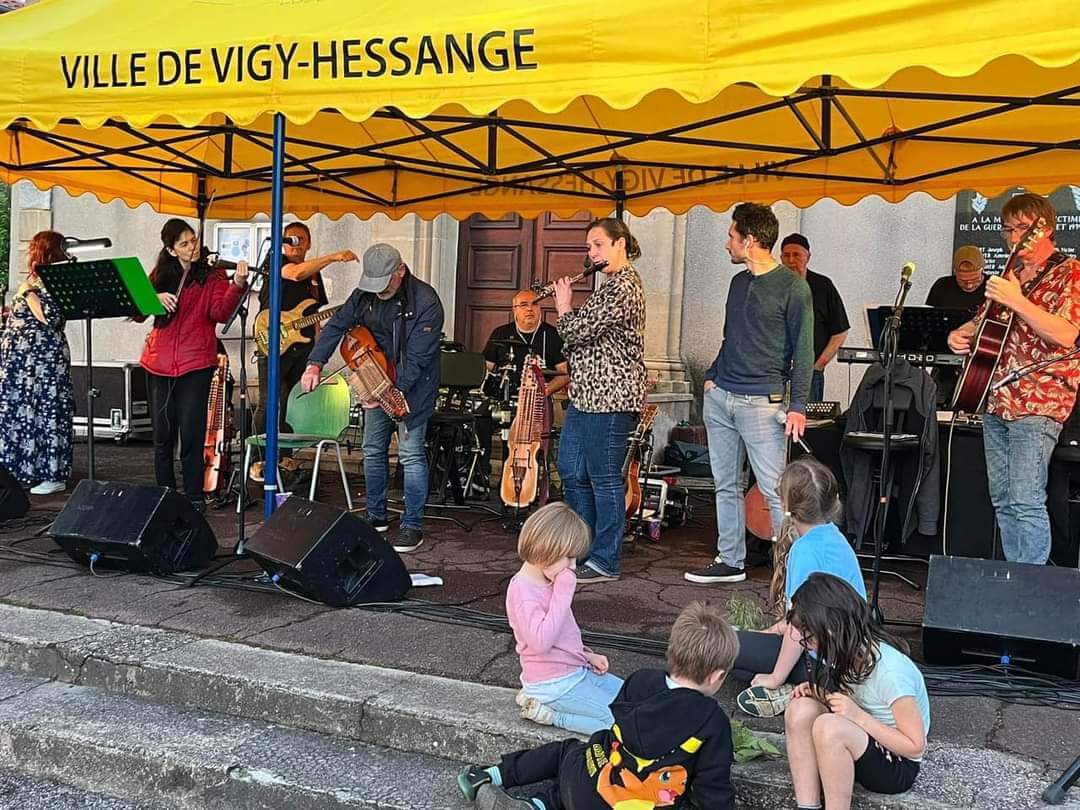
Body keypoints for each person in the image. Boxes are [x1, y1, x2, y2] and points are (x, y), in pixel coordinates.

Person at [457, 600, 738, 810]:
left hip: (589, 785)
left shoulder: (641, 680)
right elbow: (713, 789)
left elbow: (615, 726)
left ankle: (493, 777)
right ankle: (538, 804)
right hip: (638, 803)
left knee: (569, 754)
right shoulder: (713, 722)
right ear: (717, 676)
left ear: (671, 652)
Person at [947, 193, 1080, 564]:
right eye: (1008, 229)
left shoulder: (1070, 272)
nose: (1013, 237)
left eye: (1022, 228)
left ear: (1046, 228)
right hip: (996, 398)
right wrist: (960, 334)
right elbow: (983, 322)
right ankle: (1013, 579)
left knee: (1026, 499)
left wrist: (1018, 300)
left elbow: (1066, 333)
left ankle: (1029, 585)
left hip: (1038, 402)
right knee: (1003, 500)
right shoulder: (1011, 276)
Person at [685, 203, 814, 585]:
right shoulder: (738, 283)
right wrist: (711, 376)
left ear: (750, 239)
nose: (727, 243)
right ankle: (731, 560)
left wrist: (798, 406)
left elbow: (804, 351)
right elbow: (732, 337)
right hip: (721, 395)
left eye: (731, 235)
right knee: (725, 485)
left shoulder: (794, 287)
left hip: (762, 403)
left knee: (775, 492)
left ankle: (792, 573)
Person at [302, 243, 443, 553]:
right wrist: (315, 363)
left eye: (384, 283)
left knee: (411, 456)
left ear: (400, 271)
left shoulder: (426, 301)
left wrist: (385, 393)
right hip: (374, 375)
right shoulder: (364, 293)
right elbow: (337, 325)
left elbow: (417, 360)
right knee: (372, 449)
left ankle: (412, 525)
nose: (377, 291)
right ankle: (376, 516)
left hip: (413, 387)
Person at [731, 458, 866, 719]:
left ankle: (801, 689)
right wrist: (769, 632)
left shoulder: (804, 550)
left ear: (785, 506)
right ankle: (802, 688)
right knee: (745, 660)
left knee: (726, 647)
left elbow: (800, 625)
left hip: (823, 663)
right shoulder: (835, 537)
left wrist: (776, 677)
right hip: (848, 657)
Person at [553, 218, 647, 583]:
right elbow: (582, 339)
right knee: (571, 470)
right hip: (586, 394)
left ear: (620, 243)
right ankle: (583, 547)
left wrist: (564, 305)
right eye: (588, 247)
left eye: (598, 245)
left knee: (604, 479)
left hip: (611, 397)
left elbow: (577, 331)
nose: (591, 253)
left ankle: (606, 559)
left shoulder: (623, 286)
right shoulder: (607, 286)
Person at [784, 573, 930, 810]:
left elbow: (915, 745)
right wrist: (823, 695)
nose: (807, 645)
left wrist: (857, 716)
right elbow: (858, 701)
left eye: (809, 638)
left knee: (829, 727)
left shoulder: (891, 673)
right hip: (862, 742)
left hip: (896, 763)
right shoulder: (845, 651)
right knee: (800, 709)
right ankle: (807, 805)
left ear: (831, 631)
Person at [139, 218, 249, 511]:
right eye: (184, 244)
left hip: (196, 363)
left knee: (192, 434)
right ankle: (164, 495)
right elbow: (137, 312)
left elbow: (220, 313)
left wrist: (237, 285)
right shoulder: (161, 273)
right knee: (162, 436)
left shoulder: (212, 275)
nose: (193, 248)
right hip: (158, 362)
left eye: (194, 241)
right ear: (171, 249)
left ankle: (193, 497)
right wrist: (153, 297)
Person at [252, 221, 357, 481]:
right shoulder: (274, 261)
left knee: (291, 403)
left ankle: (284, 457)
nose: (295, 244)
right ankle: (258, 458)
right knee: (270, 402)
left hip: (303, 348)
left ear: (309, 243)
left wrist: (318, 352)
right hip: (274, 343)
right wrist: (333, 257)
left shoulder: (314, 274)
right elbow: (295, 273)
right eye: (290, 239)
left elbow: (314, 314)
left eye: (301, 239)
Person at [506, 502, 623, 735]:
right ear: (545, 548)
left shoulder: (549, 578)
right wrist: (563, 593)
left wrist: (586, 655)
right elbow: (541, 642)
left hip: (574, 672)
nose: (572, 567)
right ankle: (551, 715)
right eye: (568, 558)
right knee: (619, 722)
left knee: (633, 698)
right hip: (553, 684)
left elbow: (563, 636)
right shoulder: (524, 592)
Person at [0, 231, 75, 495]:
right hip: (21, 364)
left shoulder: (54, 281)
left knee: (47, 412)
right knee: (21, 414)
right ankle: (22, 470)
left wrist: (29, 293)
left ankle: (52, 474)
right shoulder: (34, 280)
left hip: (44, 362)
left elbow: (50, 317)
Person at [481, 290, 570, 482]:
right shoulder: (501, 333)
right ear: (514, 310)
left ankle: (534, 480)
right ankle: (482, 477)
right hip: (504, 399)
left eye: (534, 304)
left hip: (538, 400)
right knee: (480, 419)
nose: (530, 309)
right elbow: (485, 367)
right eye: (523, 305)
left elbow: (564, 373)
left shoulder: (552, 335)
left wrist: (544, 391)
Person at [779, 233, 850, 402]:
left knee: (808, 418)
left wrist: (819, 365)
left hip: (810, 373)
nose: (791, 261)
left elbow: (840, 331)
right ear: (780, 258)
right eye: (786, 255)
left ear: (808, 257)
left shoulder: (823, 285)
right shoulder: (772, 285)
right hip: (774, 373)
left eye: (797, 255)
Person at [926, 245, 986, 314]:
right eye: (962, 281)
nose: (969, 286)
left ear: (982, 270)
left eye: (975, 280)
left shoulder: (993, 286)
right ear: (954, 272)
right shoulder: (942, 285)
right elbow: (929, 314)